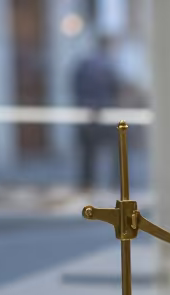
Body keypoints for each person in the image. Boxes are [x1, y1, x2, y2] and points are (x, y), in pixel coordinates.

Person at [72, 36, 119, 190]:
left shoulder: (85, 64)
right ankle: (115, 183)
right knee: (114, 151)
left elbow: (75, 85)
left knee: (88, 153)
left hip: (86, 112)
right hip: (102, 111)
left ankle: (87, 183)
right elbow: (115, 88)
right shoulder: (107, 65)